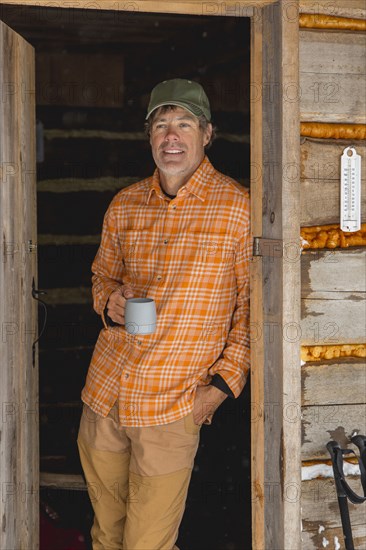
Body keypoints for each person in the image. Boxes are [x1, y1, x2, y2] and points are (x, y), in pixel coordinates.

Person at [77, 78, 251, 550]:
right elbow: (101, 277)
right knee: (106, 536)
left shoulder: (239, 209)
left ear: (207, 134)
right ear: (149, 136)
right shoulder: (125, 205)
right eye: (160, 125)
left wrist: (219, 389)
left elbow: (255, 312)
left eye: (184, 123)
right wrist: (109, 304)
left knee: (146, 544)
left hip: (173, 402)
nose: (170, 136)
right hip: (105, 394)